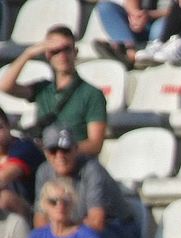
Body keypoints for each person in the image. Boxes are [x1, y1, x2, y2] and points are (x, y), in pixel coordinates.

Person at [0, 25, 109, 156]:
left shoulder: (92, 93)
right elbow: (5, 86)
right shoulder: (43, 89)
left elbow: (95, 145)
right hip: (44, 161)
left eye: (67, 49)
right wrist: (29, 53)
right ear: (47, 54)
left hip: (76, 163)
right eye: (55, 51)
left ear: (75, 52)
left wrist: (59, 150)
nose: (62, 55)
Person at [33, 126, 139, 238]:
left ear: (76, 149)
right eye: (53, 150)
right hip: (74, 228)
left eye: (65, 149)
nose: (60, 155)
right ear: (45, 152)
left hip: (115, 227)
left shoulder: (92, 169)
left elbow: (96, 223)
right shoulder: (43, 171)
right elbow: (40, 219)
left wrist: (62, 237)